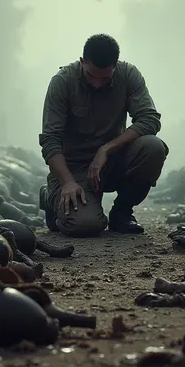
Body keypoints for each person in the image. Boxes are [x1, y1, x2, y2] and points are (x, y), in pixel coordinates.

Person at [38, 34, 168, 237]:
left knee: (153, 148)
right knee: (85, 225)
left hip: (114, 161)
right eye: (91, 76)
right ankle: (50, 198)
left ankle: (122, 213)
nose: (97, 84)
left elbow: (149, 119)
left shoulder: (129, 75)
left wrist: (106, 149)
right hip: (75, 170)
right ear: (82, 62)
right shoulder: (62, 82)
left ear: (115, 67)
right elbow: (50, 139)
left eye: (105, 78)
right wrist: (67, 182)